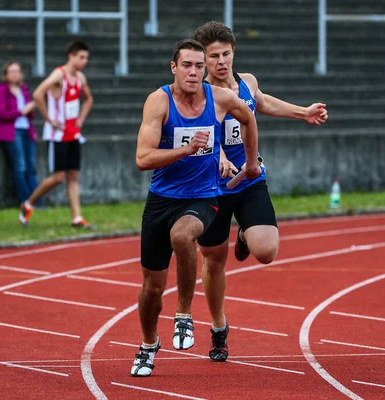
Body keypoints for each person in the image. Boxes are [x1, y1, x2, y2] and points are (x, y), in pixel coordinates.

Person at [189, 21, 328, 362]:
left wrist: (303, 112)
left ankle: (248, 236)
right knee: (214, 261)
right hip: (214, 188)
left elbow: (262, 103)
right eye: (213, 57)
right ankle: (219, 327)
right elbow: (204, 133)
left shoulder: (247, 82)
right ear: (203, 60)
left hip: (250, 178)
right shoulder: (202, 97)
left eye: (226, 54)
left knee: (266, 251)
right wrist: (219, 157)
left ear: (233, 53)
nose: (221, 62)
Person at [130, 38, 260, 377]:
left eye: (199, 66)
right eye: (187, 65)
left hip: (203, 197)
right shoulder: (159, 102)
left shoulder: (218, 98)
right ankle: (148, 344)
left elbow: (249, 117)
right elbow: (143, 158)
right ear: (174, 67)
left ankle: (184, 314)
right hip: (162, 199)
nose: (193, 72)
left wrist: (250, 163)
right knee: (151, 289)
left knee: (183, 236)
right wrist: (185, 151)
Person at [18, 40, 94, 228]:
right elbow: (37, 94)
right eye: (81, 57)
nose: (84, 61)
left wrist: (81, 118)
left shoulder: (80, 78)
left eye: (86, 58)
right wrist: (49, 119)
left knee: (73, 176)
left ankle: (77, 218)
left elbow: (89, 99)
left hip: (73, 133)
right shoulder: (59, 74)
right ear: (71, 56)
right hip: (57, 134)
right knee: (58, 177)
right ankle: (28, 204)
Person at [0, 61, 39, 205]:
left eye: (17, 71)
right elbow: (1, 113)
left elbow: (30, 115)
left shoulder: (24, 89)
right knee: (20, 166)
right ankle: (25, 200)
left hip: (26, 130)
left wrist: (30, 110)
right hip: (11, 132)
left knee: (31, 167)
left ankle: (37, 201)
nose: (15, 74)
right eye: (11, 72)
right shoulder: (1, 90)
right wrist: (22, 111)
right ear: (6, 75)